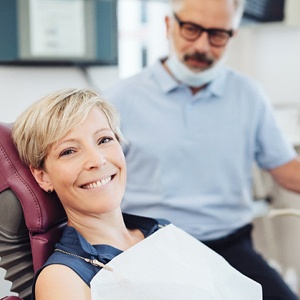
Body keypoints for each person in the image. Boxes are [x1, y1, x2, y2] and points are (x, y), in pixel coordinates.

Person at [104, 0, 300, 299]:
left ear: (232, 35)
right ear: (170, 26)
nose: (203, 46)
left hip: (229, 246)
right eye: (192, 30)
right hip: (148, 247)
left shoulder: (249, 95)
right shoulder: (120, 99)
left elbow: (287, 170)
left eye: (217, 35)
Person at [11, 88, 262, 300]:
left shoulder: (161, 232)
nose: (97, 161)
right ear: (42, 176)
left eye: (104, 140)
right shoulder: (63, 278)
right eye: (69, 151)